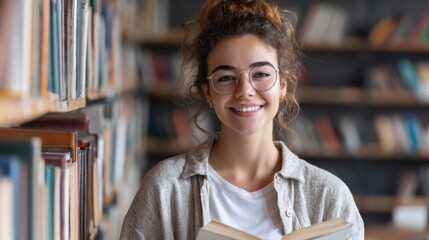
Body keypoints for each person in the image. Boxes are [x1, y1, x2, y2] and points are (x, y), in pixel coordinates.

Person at [120, 0, 365, 239]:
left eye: (260, 74)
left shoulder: (329, 197)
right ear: (208, 92)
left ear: (282, 85)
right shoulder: (164, 189)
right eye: (226, 77)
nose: (244, 90)